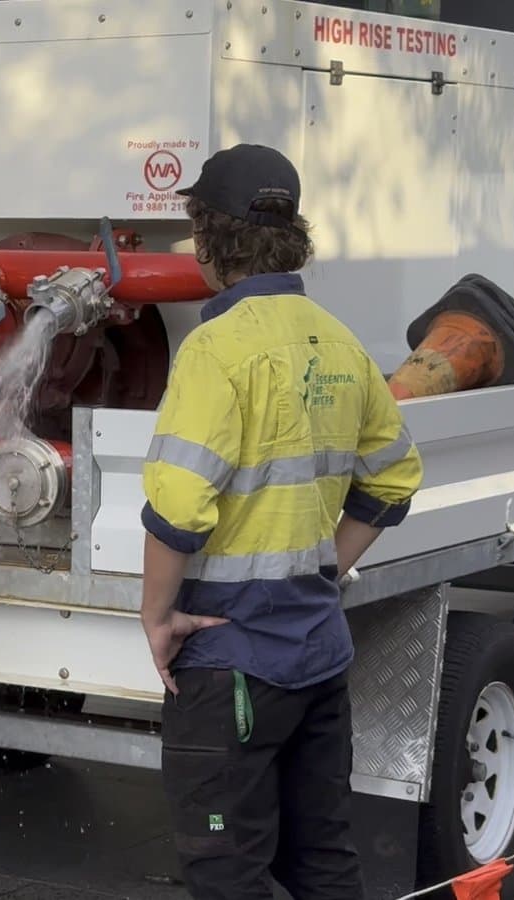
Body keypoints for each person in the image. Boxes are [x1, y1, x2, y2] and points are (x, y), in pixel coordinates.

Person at [139, 144, 423, 899]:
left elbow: (179, 506)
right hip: (318, 656)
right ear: (291, 235)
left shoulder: (215, 351)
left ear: (208, 239)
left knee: (226, 870)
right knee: (323, 861)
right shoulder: (339, 342)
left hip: (231, 662)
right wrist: (323, 565)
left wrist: (156, 617)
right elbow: (395, 475)